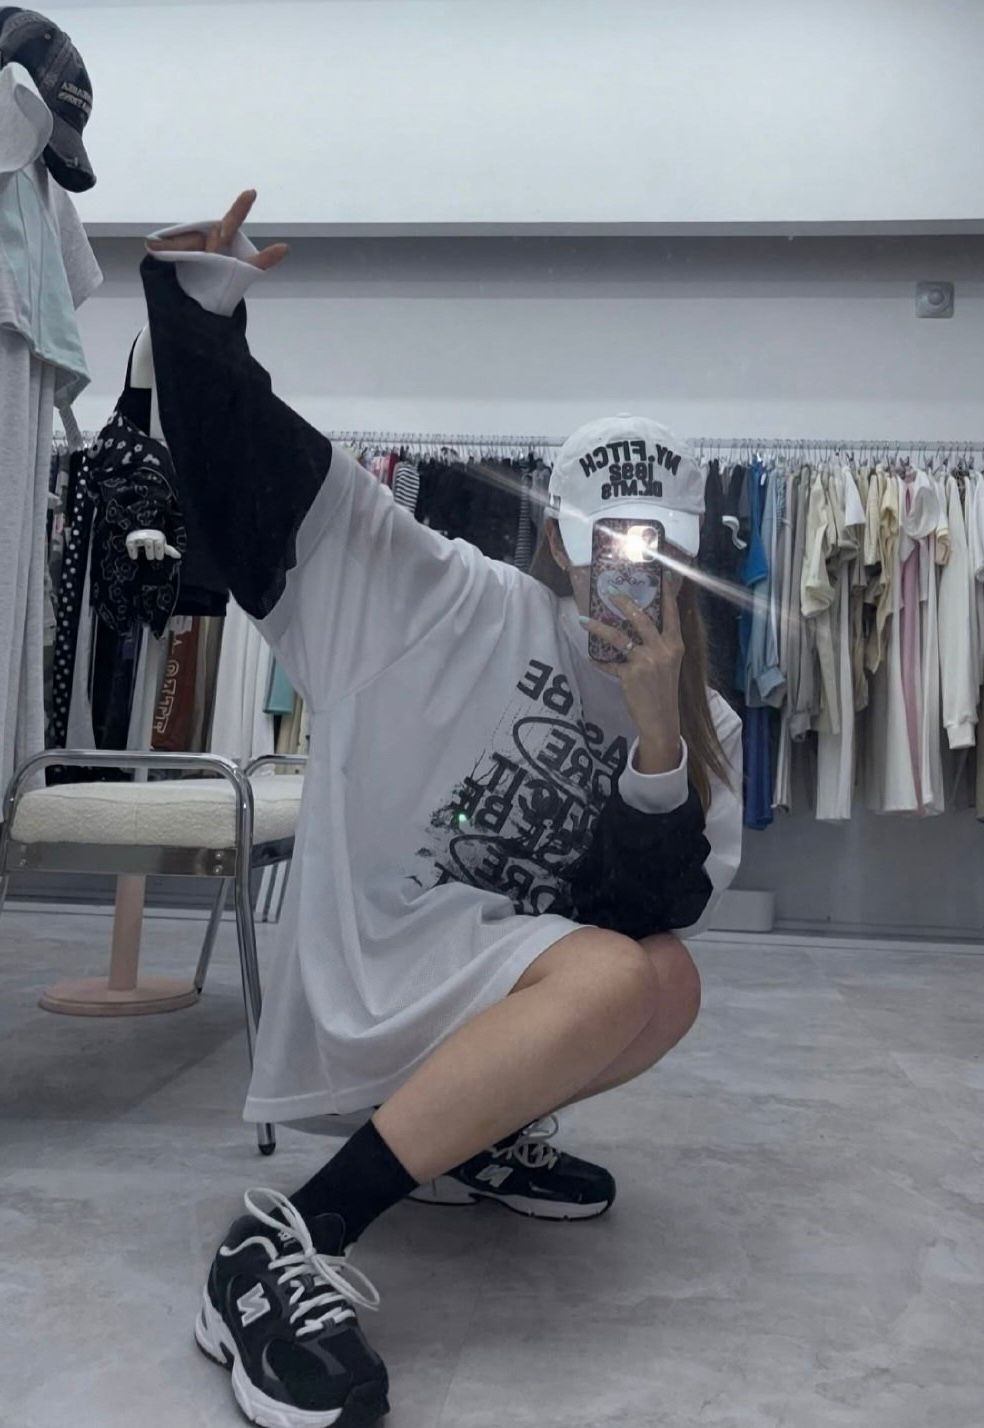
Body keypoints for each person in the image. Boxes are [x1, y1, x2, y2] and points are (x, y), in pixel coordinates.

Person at [143, 190, 743, 1428]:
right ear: (558, 540)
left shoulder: (706, 726)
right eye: (604, 542)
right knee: (620, 977)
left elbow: (646, 912)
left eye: (654, 547)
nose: (624, 570)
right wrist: (199, 315)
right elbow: (266, 489)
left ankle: (466, 1136)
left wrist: (654, 736)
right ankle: (277, 1247)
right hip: (378, 967)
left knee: (664, 977)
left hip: (489, 992)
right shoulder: (449, 603)